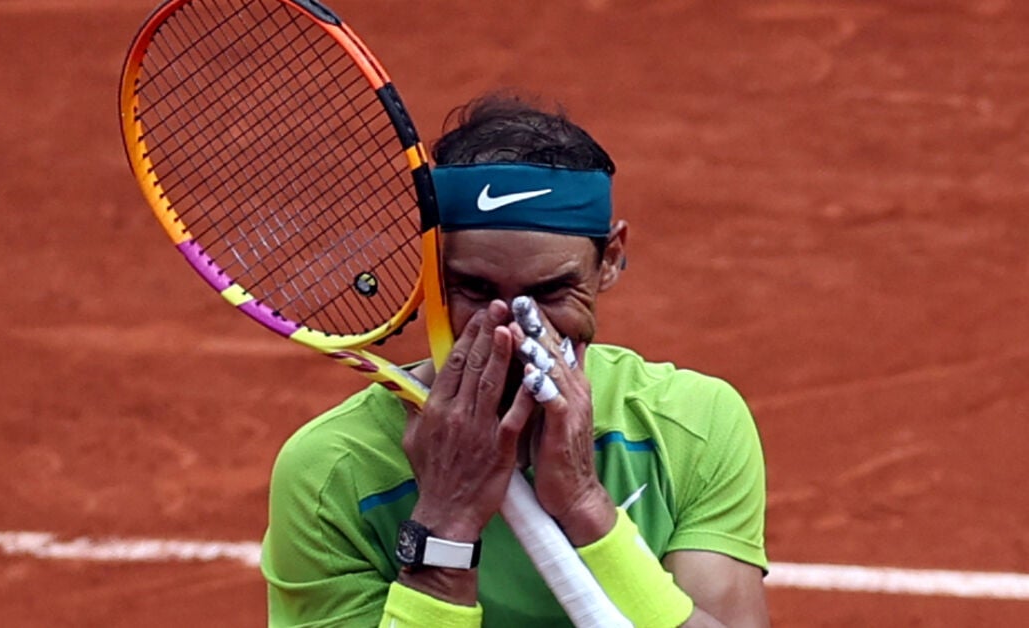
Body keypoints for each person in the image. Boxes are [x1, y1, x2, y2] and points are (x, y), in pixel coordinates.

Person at [262, 94, 769, 627]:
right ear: (430, 275)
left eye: (550, 293)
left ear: (610, 260)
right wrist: (445, 526)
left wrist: (586, 507)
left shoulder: (690, 425)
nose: (511, 330)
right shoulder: (331, 473)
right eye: (476, 290)